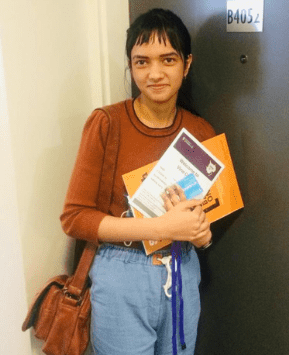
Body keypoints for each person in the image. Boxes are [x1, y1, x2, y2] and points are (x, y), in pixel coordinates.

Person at [61, 8, 215, 354]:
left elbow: (203, 217)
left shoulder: (202, 132)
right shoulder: (106, 124)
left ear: (186, 65)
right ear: (130, 66)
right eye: (142, 62)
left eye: (168, 60)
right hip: (121, 272)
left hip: (182, 269)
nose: (155, 73)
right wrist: (162, 226)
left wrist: (201, 234)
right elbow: (75, 217)